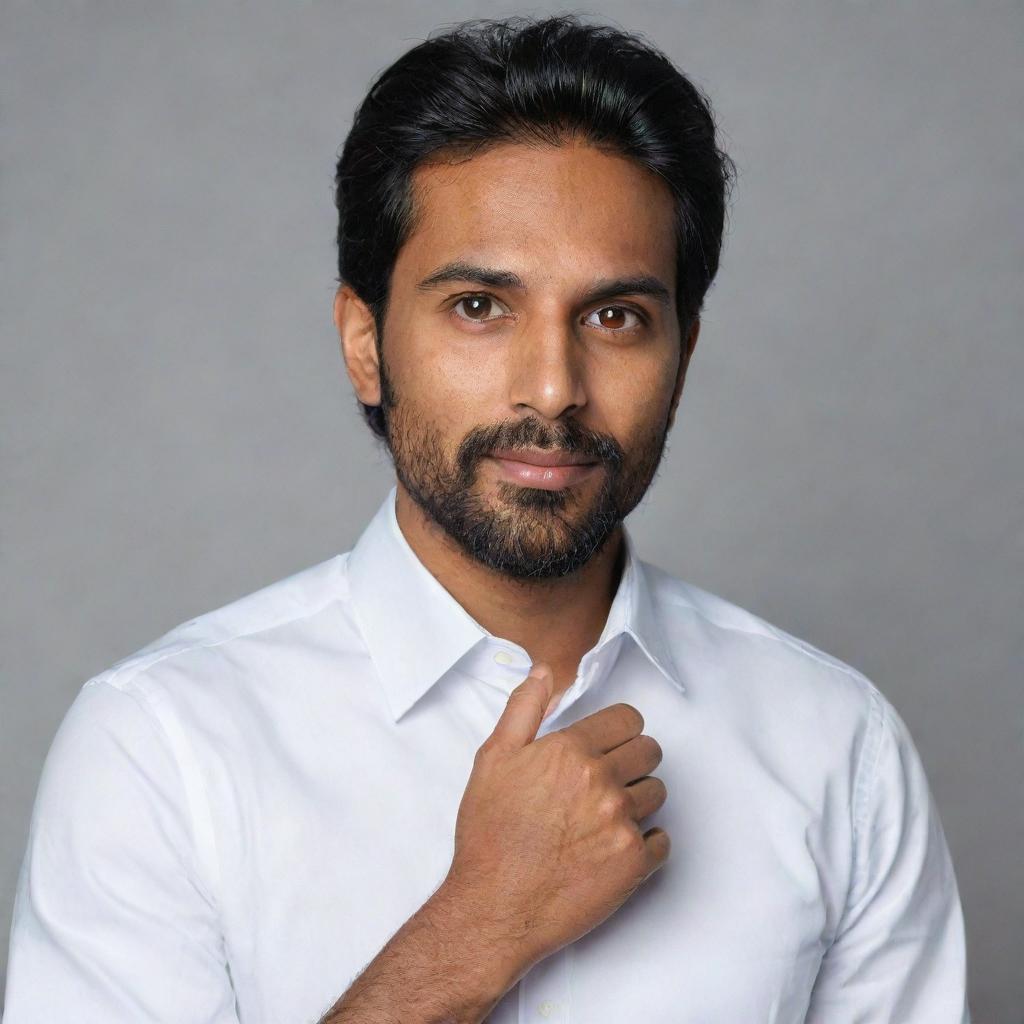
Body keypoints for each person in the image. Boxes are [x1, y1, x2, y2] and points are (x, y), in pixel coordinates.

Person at [3, 14, 969, 1023]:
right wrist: (476, 929)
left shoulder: (836, 747)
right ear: (365, 342)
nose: (552, 389)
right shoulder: (162, 748)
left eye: (616, 317)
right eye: (478, 306)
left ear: (682, 355)